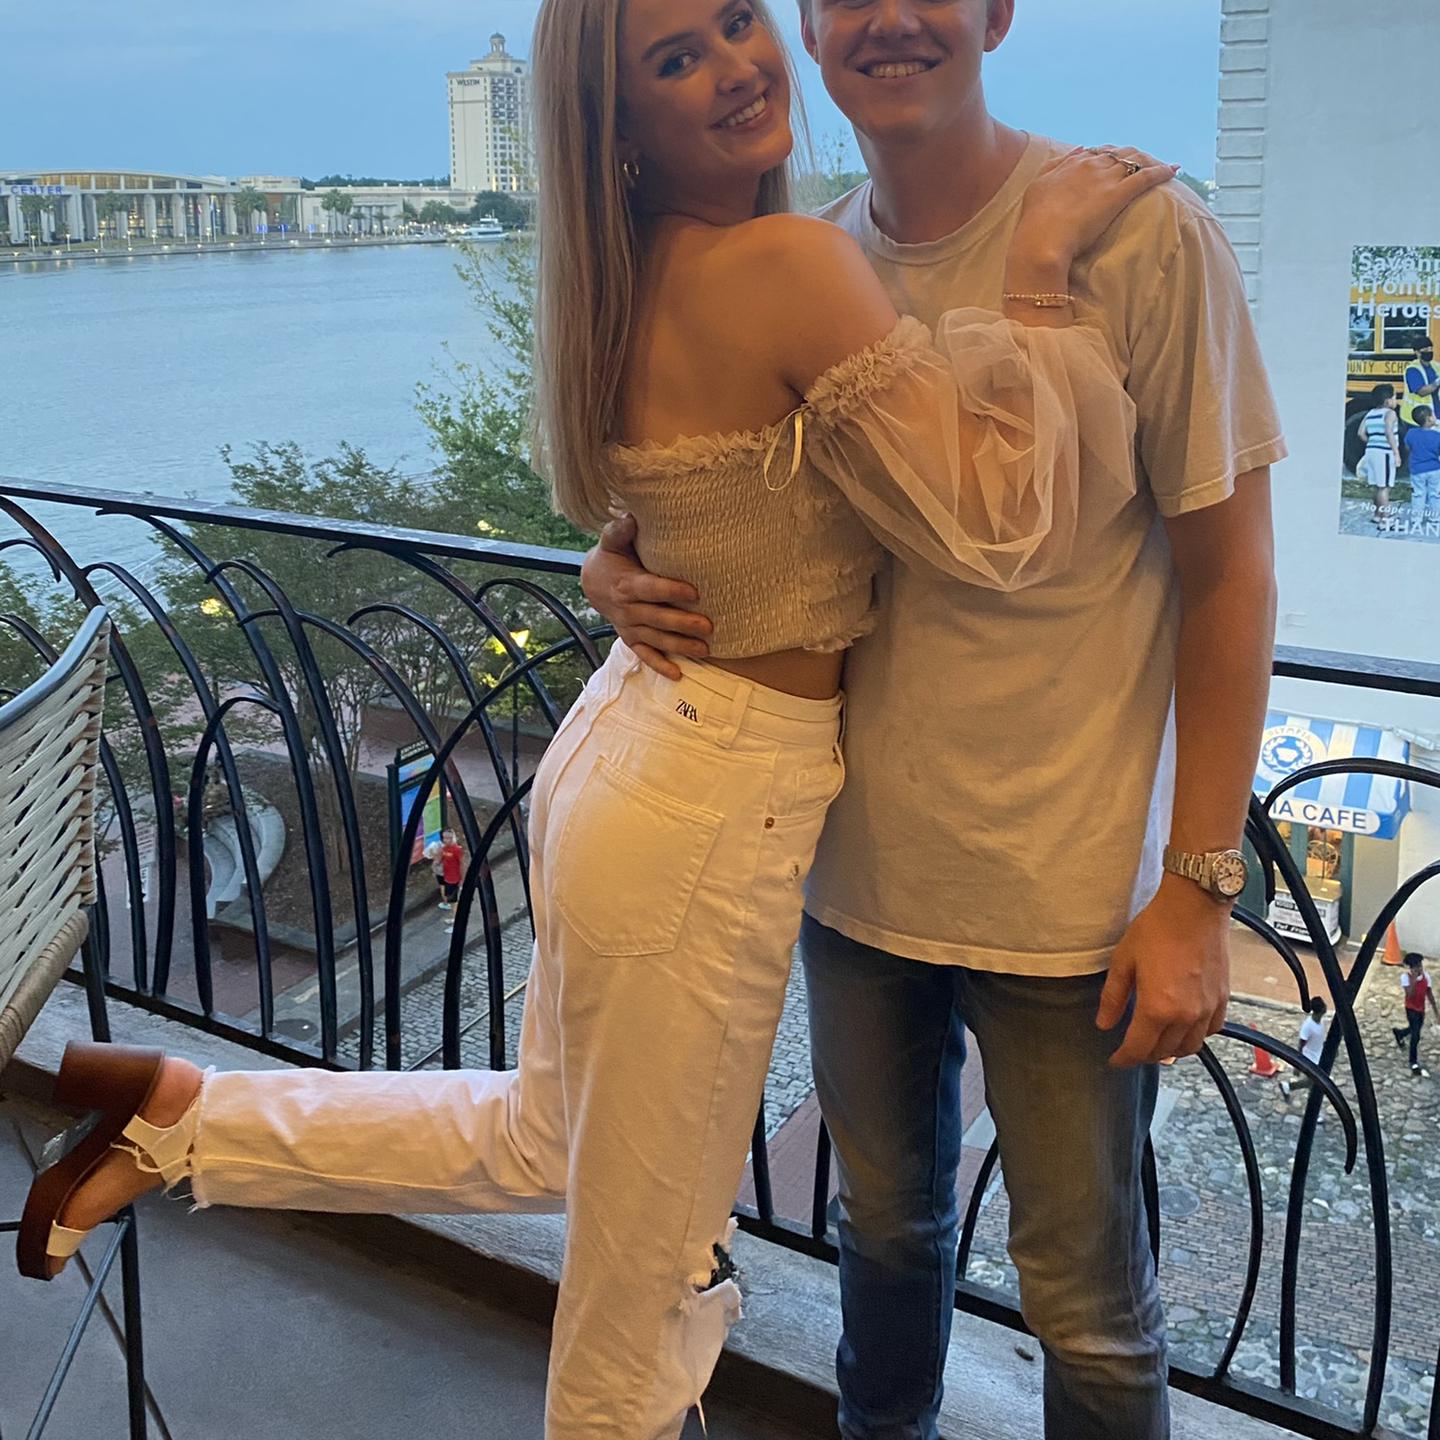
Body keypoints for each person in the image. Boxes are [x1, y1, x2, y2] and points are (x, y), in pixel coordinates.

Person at [17, 5, 1170, 1439]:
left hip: (633, 749)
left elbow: (695, 511)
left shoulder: (634, 273)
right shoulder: (792, 263)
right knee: (642, 1289)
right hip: (706, 798)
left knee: (544, 1138)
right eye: (676, 62)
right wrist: (1041, 273)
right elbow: (1002, 522)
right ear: (617, 125)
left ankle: (185, 1117)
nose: (736, 67)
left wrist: (602, 569)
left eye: (735, 21)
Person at [582, 3, 1284, 1437]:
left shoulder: (1143, 234)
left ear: (996, 11)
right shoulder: (817, 258)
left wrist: (1198, 890)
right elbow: (736, 497)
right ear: (813, 25)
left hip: (1069, 896)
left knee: (1089, 1311)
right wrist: (611, 562)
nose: (891, 17)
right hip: (853, 874)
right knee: (885, 1245)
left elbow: (1232, 577)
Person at [1357, 382, 1401, 527]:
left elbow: (1361, 433)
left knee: (1377, 486)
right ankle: (1385, 519)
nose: (1395, 400)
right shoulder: (1390, 413)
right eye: (1394, 397)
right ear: (1387, 401)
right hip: (1385, 453)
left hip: (1371, 452)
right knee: (1384, 487)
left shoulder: (1370, 413)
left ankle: (1377, 515)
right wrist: (1396, 453)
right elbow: (1389, 432)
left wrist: (1373, 442)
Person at [1392, 952, 1439, 1076]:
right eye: (1417, 966)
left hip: (1420, 1009)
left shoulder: (1426, 977)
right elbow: (1410, 994)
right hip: (1411, 1009)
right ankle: (1413, 1062)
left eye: (1420, 966)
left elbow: (1429, 994)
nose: (1419, 968)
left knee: (1414, 1029)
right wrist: (1413, 980)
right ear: (1411, 968)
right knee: (1416, 1035)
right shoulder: (1405, 978)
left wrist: (1436, 1012)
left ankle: (1400, 1033)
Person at [1402, 404, 1440, 532]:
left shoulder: (1411, 433)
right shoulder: (1437, 436)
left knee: (1418, 494)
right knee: (1435, 494)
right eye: (1433, 415)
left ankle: (1416, 519)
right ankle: (1435, 518)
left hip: (1417, 470)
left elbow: (1407, 447)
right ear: (1429, 419)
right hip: (1434, 469)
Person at [1281, 995, 1328, 1098]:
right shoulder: (1308, 1026)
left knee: (1314, 1084)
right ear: (1321, 1010)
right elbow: (1301, 1045)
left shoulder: (1321, 1022)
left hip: (1318, 1057)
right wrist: (1297, 1065)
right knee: (1312, 1082)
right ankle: (1288, 1086)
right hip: (1310, 1059)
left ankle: (1309, 1098)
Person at [1401, 338, 1440, 426]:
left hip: (1434, 417)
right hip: (1415, 419)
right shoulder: (1413, 370)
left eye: (1431, 349)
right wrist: (1438, 382)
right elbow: (1422, 392)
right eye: (1426, 350)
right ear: (1417, 352)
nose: (1429, 351)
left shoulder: (1436, 366)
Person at [438, 827, 464, 929]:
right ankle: (454, 918)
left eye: (449, 838)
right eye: (445, 838)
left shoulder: (457, 850)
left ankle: (456, 924)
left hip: (454, 879)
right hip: (447, 878)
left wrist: (462, 879)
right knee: (451, 901)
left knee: (454, 902)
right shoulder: (444, 848)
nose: (446, 840)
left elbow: (462, 864)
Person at [422, 834, 448, 909]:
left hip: (440, 870)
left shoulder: (434, 846)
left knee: (443, 886)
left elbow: (427, 855)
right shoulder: (450, 846)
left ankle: (446, 903)